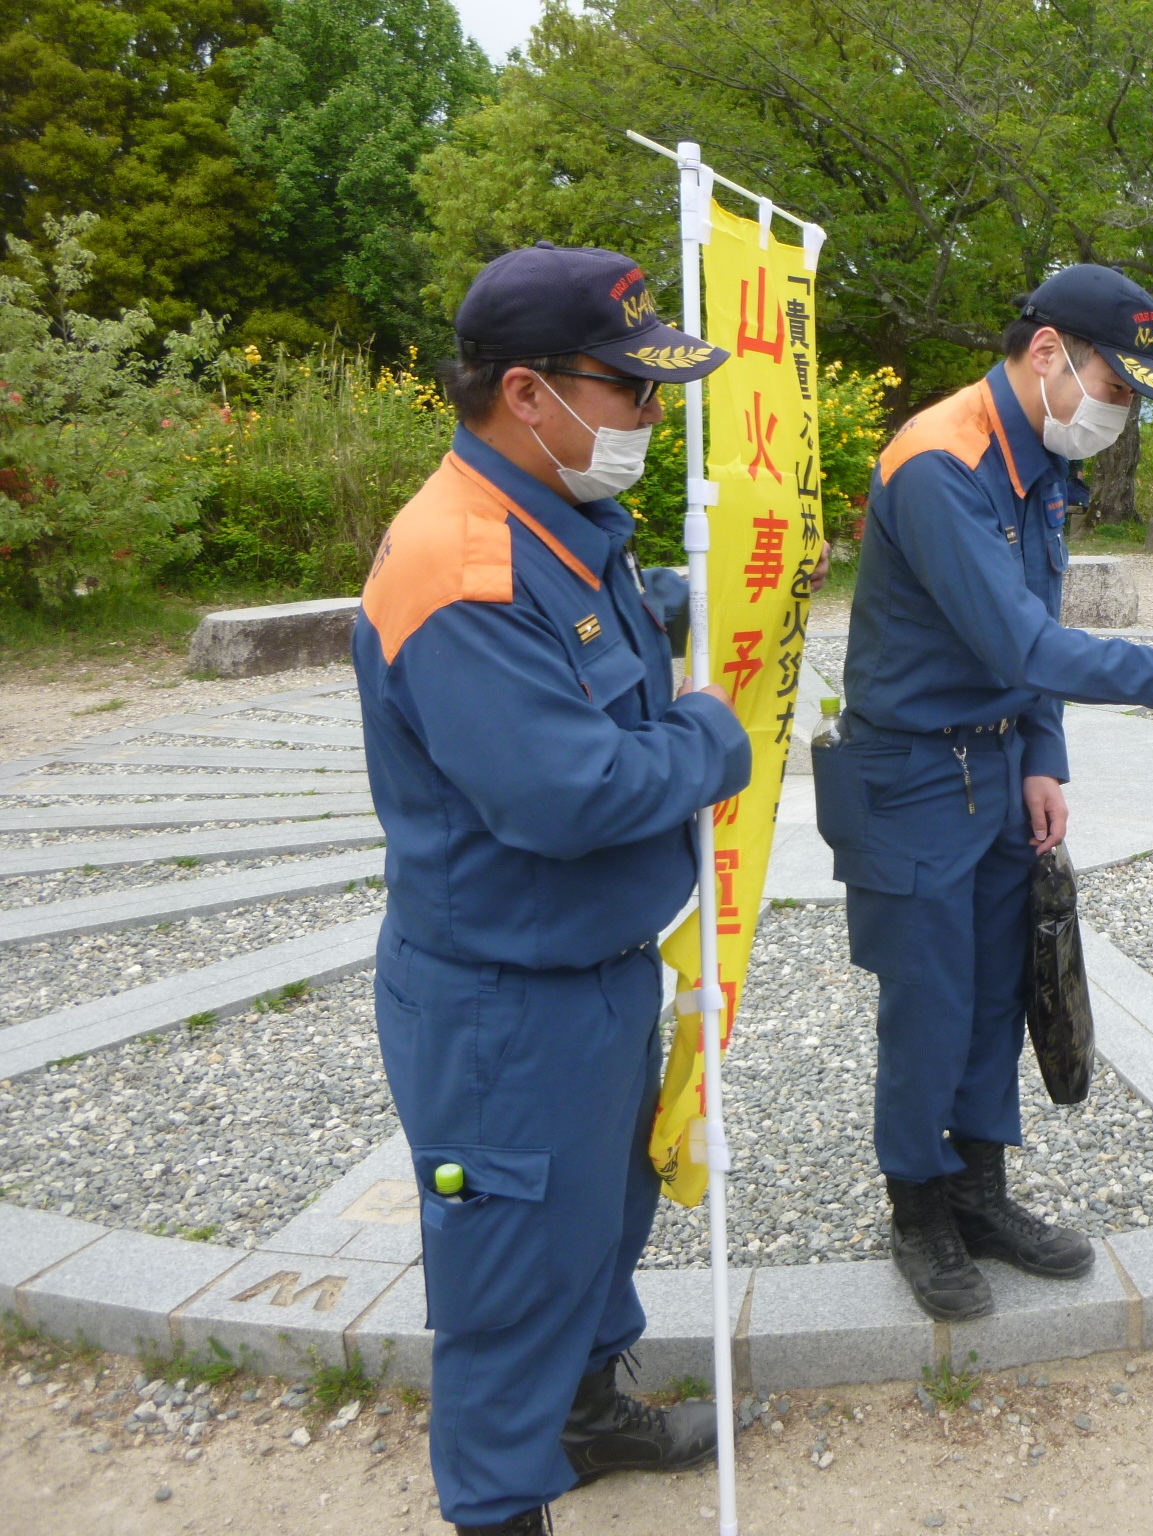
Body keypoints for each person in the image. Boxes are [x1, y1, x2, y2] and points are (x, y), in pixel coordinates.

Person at [354, 242, 753, 1536]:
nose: (649, 414)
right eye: (630, 389)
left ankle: (588, 1413)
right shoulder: (456, 567)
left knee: (596, 1225)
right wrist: (715, 739)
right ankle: (499, 1503)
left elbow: (606, 628)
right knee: (506, 1280)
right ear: (530, 394)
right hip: (500, 1007)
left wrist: (720, 589)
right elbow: (565, 794)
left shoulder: (552, 522)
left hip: (588, 975)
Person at [815, 262, 1153, 1320]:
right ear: (1048, 355)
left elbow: (1026, 638)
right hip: (907, 774)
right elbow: (1025, 638)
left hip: (992, 761)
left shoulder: (1033, 456)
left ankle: (981, 1192)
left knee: (1001, 984)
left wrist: (1042, 753)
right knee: (930, 1003)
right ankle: (917, 1209)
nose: (1118, 416)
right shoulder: (939, 464)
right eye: (1115, 389)